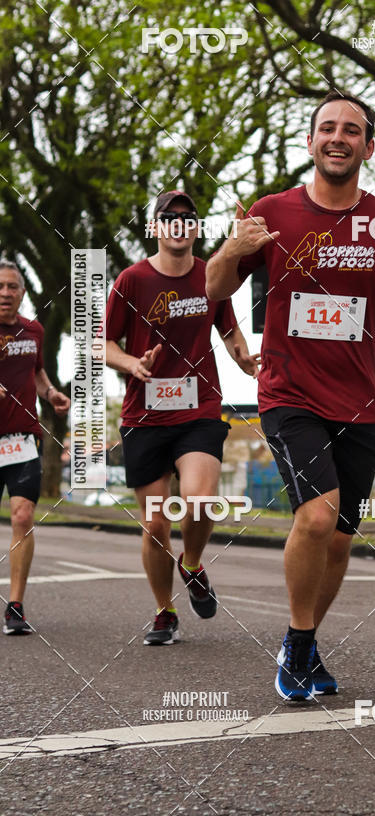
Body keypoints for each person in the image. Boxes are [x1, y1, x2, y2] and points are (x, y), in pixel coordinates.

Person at [206, 92, 375, 700]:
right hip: (288, 391)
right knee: (315, 516)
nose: (338, 138)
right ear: (311, 141)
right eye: (327, 128)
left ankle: (304, 646)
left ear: (368, 145)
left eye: (352, 130)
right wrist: (234, 248)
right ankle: (297, 645)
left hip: (359, 401)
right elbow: (213, 288)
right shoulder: (272, 212)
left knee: (339, 536)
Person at [105, 191, 259, 645]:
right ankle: (164, 611)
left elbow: (227, 326)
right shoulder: (131, 280)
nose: (178, 224)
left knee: (200, 500)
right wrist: (133, 364)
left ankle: (191, 563)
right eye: (168, 218)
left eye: (187, 218)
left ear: (196, 227)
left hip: (199, 410)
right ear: (155, 228)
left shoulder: (211, 273)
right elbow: (103, 343)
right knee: (155, 524)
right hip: (145, 415)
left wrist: (242, 357)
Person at [0, 259, 70, 635]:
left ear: (22, 293)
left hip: (23, 438)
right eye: (0, 286)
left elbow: (37, 371)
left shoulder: (34, 331)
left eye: (12, 287)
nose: (5, 293)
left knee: (23, 517)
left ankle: (15, 606)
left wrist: (52, 393)